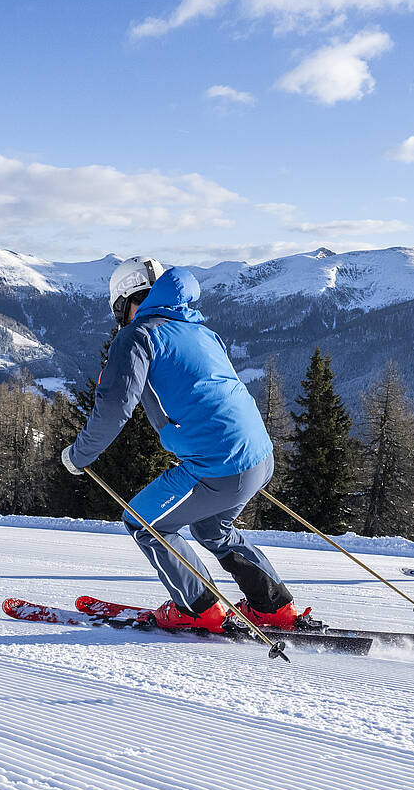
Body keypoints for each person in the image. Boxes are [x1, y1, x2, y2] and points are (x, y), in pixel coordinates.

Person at [62, 257, 308, 633]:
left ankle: (198, 608)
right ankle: (273, 608)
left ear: (125, 302)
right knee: (214, 531)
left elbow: (113, 407)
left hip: (217, 467)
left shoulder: (138, 335)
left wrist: (79, 456)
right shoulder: (199, 330)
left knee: (144, 522)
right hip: (258, 457)